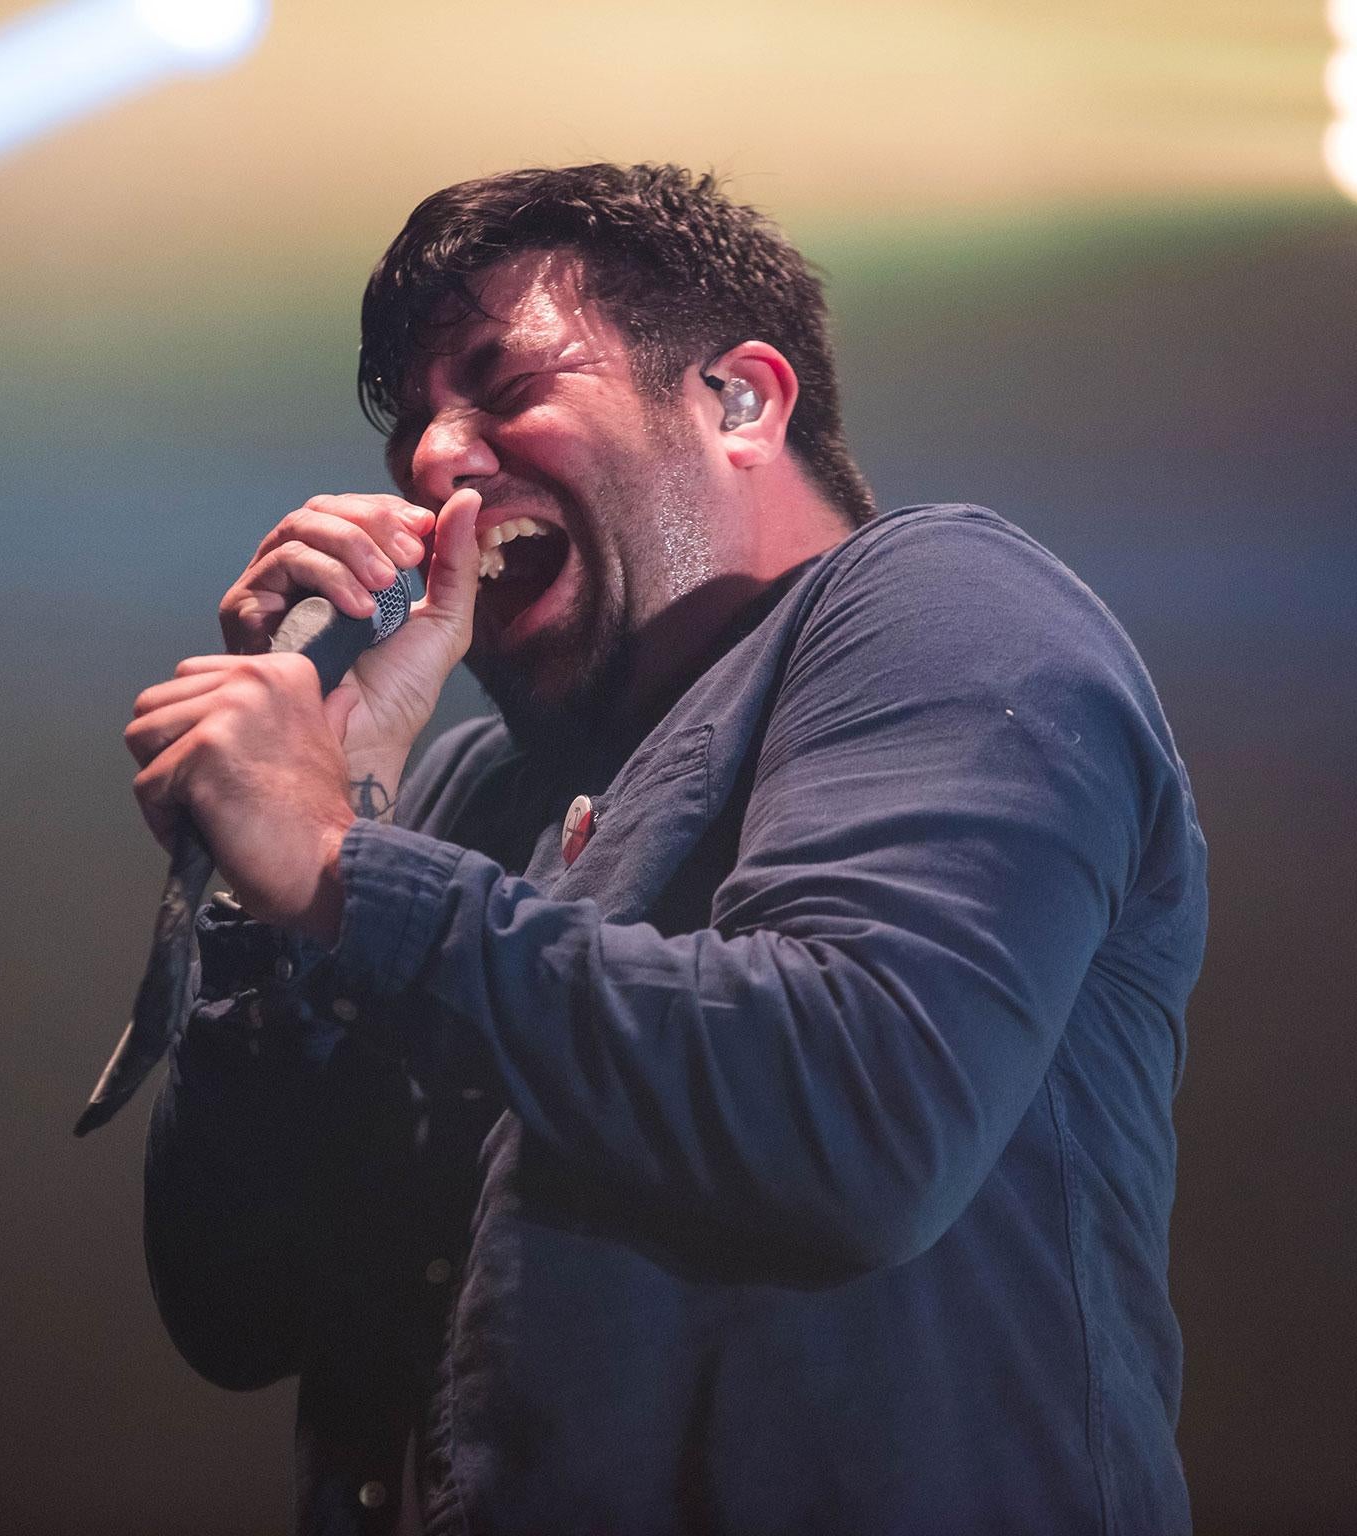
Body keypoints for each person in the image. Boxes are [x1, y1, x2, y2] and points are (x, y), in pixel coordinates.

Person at [122, 163, 1207, 1535]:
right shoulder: (463, 798)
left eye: (500, 385)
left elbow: (861, 1114)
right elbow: (241, 1305)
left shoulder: (946, 612)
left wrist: (345, 868)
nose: (432, 462)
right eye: (415, 427)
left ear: (740, 399)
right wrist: (279, 877)